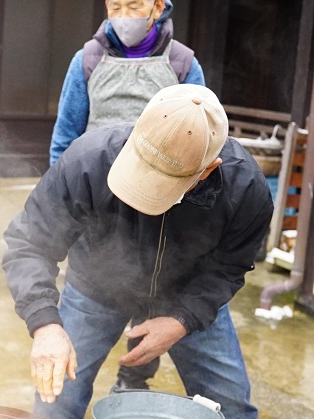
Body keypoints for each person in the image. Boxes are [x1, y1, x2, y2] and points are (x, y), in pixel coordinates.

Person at [2, 84, 292, 419]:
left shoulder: (244, 188)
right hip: (95, 287)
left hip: (187, 292)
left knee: (229, 394)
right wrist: (46, 324)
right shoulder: (89, 160)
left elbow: (229, 267)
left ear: (208, 170)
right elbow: (29, 244)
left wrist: (181, 319)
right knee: (58, 391)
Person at [51, 0, 206, 393]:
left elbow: (201, 138)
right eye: (115, 4)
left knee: (153, 299)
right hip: (100, 214)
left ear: (157, 7)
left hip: (165, 213)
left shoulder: (182, 64)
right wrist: (66, 211)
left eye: (133, 4)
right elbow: (65, 143)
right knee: (76, 347)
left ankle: (133, 380)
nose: (123, 14)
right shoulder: (87, 60)